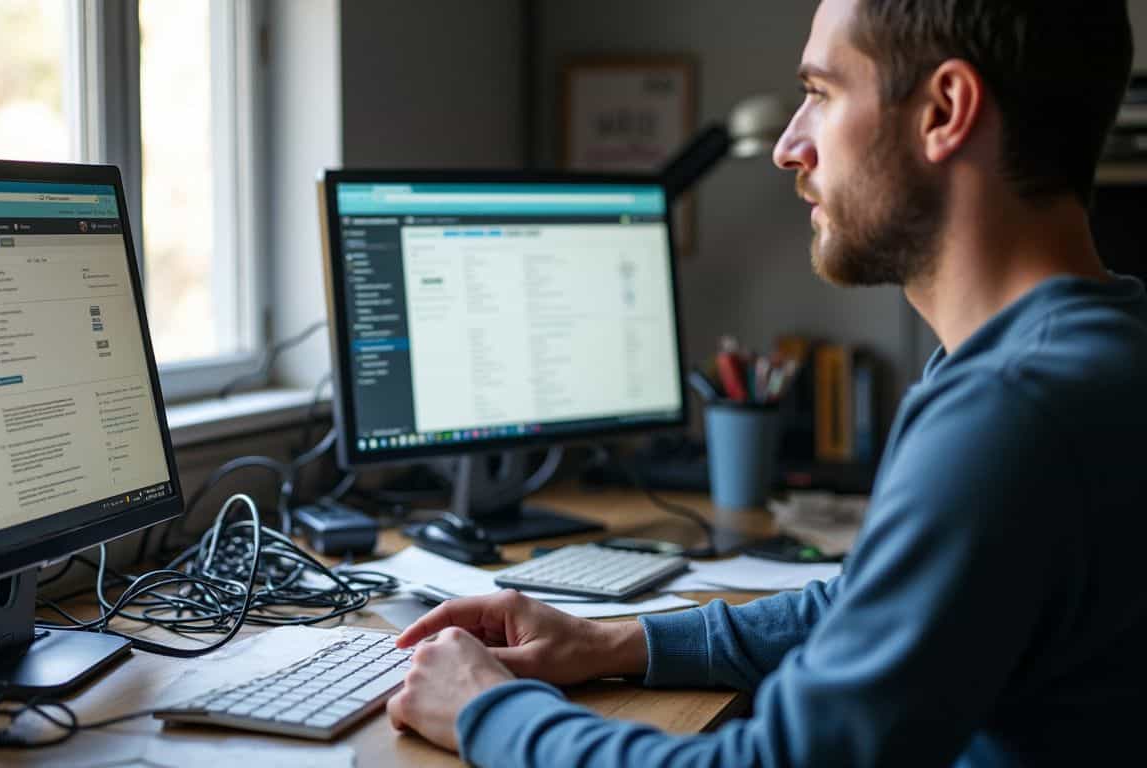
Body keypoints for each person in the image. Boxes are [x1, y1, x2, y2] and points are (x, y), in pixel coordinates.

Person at [385, 1, 1147, 765]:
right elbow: (865, 605)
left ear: (943, 111)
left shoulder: (1013, 408)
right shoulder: (1090, 351)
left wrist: (489, 710)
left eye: (820, 93)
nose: (788, 146)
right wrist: (609, 640)